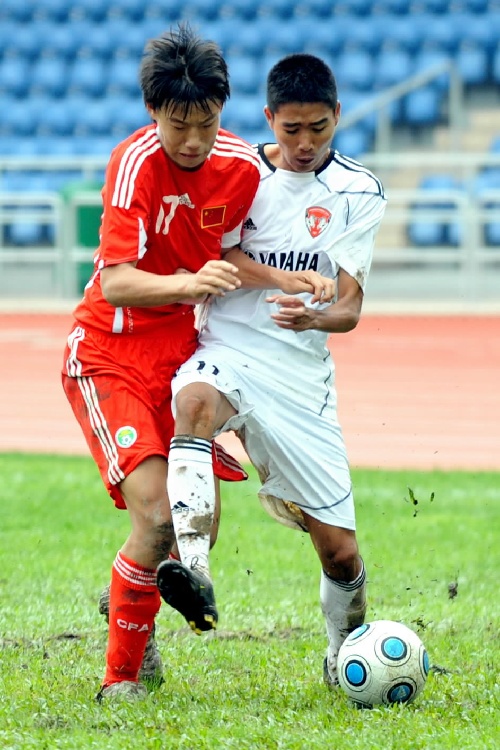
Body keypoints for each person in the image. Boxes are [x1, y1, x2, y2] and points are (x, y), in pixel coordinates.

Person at [62, 26, 332, 702]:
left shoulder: (241, 166)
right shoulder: (133, 164)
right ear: (155, 114)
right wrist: (188, 284)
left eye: (205, 123)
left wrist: (282, 279)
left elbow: (233, 256)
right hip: (110, 354)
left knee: (192, 530)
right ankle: (123, 680)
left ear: (222, 112)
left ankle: (131, 593)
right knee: (156, 518)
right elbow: (118, 280)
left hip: (183, 360)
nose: (190, 140)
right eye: (177, 124)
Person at [157, 52, 387, 689]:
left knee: (340, 553)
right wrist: (283, 280)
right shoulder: (237, 171)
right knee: (195, 404)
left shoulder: (358, 192)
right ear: (268, 119)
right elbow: (221, 253)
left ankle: (345, 656)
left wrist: (314, 319)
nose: (306, 143)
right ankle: (195, 568)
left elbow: (349, 310)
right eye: (291, 130)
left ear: (338, 117)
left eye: (319, 128)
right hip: (228, 344)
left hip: (299, 377)